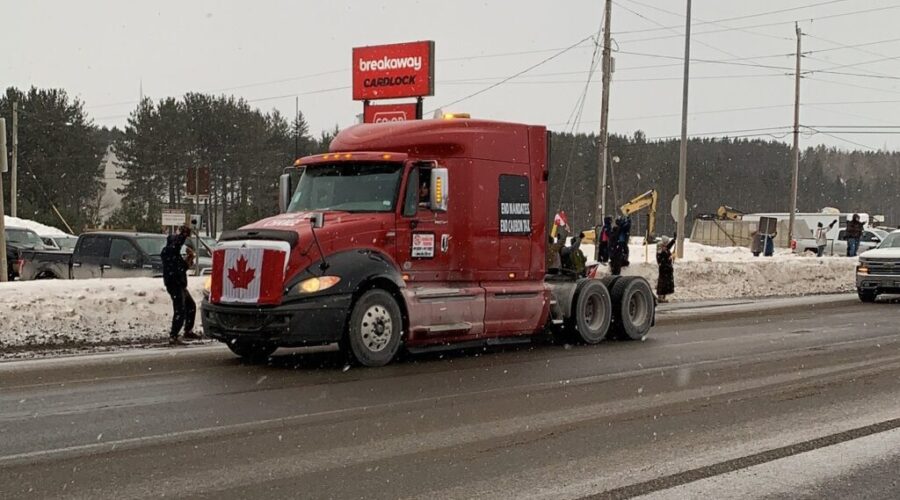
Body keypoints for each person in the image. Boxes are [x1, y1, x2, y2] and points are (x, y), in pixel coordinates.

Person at [161, 225, 198, 345]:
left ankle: (188, 330)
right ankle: (174, 335)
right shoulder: (168, 251)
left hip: (180, 284)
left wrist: (189, 258)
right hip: (174, 285)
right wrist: (184, 234)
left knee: (190, 306)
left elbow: (182, 268)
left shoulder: (175, 255)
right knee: (180, 310)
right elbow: (177, 244)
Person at [656, 235, 676, 303]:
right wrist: (667, 263)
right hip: (664, 270)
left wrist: (673, 240)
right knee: (662, 284)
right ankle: (660, 297)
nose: (666, 247)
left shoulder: (665, 249)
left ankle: (663, 297)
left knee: (665, 284)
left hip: (667, 270)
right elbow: (661, 261)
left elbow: (669, 246)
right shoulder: (660, 251)